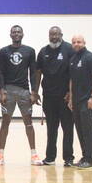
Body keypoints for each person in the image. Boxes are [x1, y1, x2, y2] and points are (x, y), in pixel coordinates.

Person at [0, 25, 43, 166]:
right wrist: (2, 90)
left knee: (28, 123)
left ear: (22, 34)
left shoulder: (30, 51)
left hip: (24, 91)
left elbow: (33, 73)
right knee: (5, 123)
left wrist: (34, 92)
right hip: (8, 91)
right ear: (10, 34)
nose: (16, 34)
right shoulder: (3, 51)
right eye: (14, 32)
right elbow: (1, 72)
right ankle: (0, 155)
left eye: (18, 32)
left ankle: (34, 154)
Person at [36, 26, 75, 167]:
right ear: (49, 36)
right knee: (51, 129)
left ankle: (68, 158)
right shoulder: (43, 51)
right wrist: (35, 91)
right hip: (49, 97)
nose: (54, 37)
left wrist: (71, 93)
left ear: (61, 35)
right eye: (51, 35)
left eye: (56, 34)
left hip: (65, 98)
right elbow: (38, 72)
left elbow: (74, 73)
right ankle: (50, 157)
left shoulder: (69, 49)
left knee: (68, 128)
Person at [68, 35, 92, 169]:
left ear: (84, 43)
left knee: (87, 129)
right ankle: (84, 157)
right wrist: (71, 98)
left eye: (79, 42)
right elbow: (71, 80)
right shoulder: (73, 59)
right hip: (76, 101)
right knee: (80, 129)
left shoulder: (91, 57)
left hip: (87, 100)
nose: (76, 44)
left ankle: (90, 159)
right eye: (74, 42)